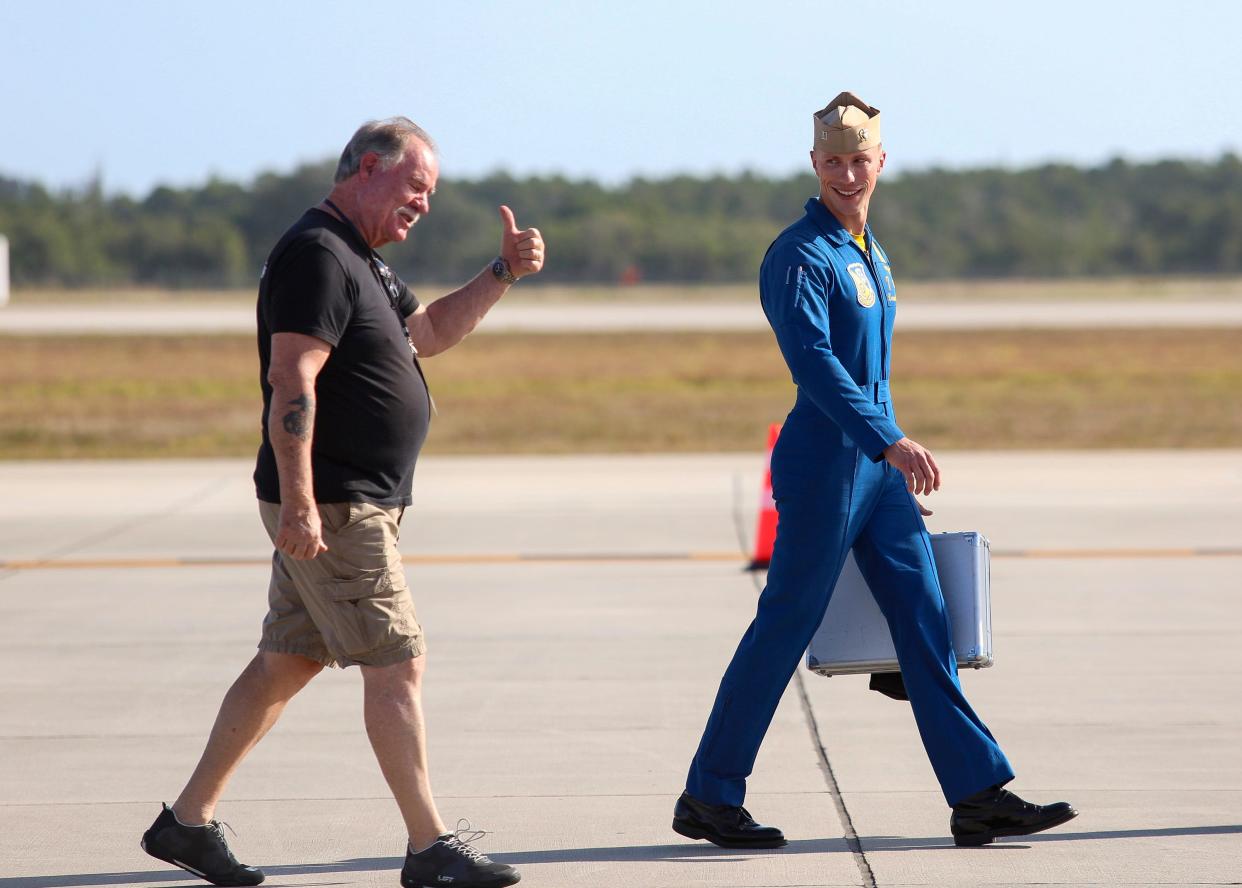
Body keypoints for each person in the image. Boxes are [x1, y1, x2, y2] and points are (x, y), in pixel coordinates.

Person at [140, 117, 543, 888]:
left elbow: (424, 334)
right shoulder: (319, 256)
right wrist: (299, 503)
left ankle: (185, 825)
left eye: (431, 193)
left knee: (285, 662)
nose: (423, 204)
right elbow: (292, 381)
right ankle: (430, 850)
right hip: (335, 504)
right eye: (416, 186)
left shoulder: (359, 258)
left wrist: (501, 273)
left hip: (341, 502)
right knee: (398, 662)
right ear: (366, 168)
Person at [673, 92, 1077, 849]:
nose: (848, 174)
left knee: (927, 620)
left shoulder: (868, 250)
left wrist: (887, 460)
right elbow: (816, 364)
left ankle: (979, 793)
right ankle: (710, 794)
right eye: (834, 161)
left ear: (881, 162)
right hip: (828, 466)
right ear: (815, 165)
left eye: (860, 160)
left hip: (876, 474)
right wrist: (889, 440)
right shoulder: (799, 254)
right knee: (785, 627)